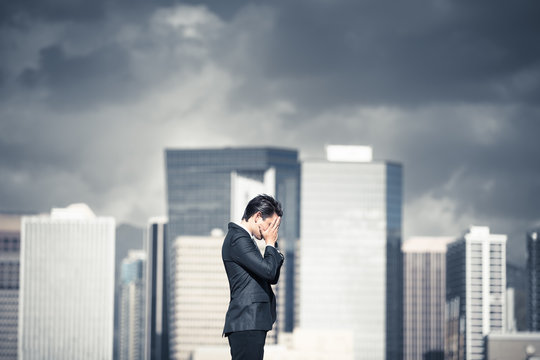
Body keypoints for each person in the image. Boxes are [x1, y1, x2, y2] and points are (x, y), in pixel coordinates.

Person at [222, 194, 284, 360]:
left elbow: (272, 277)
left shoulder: (245, 240)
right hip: (246, 320)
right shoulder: (238, 238)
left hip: (251, 321)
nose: (272, 231)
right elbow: (269, 271)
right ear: (258, 216)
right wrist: (270, 243)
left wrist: (273, 246)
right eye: (270, 224)